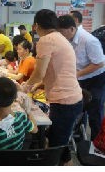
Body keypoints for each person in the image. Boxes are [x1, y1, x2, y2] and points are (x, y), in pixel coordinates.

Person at [22, 9, 83, 165]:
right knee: (60, 143)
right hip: (71, 98)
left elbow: (39, 73)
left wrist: (25, 86)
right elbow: (56, 70)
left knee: (55, 146)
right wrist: (37, 85)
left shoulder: (46, 40)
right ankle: (66, 161)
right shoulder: (59, 38)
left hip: (65, 101)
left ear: (36, 25)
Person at [57, 15, 105, 140]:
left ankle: (97, 141)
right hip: (83, 76)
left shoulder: (88, 40)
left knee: (95, 108)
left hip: (99, 77)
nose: (60, 35)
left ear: (72, 29)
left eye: (62, 32)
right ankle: (79, 136)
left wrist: (76, 75)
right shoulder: (68, 40)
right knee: (79, 105)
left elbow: (99, 63)